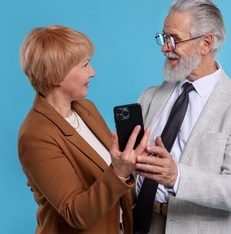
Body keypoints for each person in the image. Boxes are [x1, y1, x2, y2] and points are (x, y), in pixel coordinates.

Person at [132, 0, 231, 234]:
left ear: (206, 43)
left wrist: (177, 176)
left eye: (174, 40)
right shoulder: (149, 97)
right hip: (140, 223)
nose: (165, 48)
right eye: (164, 37)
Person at [18, 25, 149, 234]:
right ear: (56, 75)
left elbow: (103, 169)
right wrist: (120, 171)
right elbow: (76, 213)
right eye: (85, 65)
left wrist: (131, 161)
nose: (93, 72)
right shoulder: (35, 135)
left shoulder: (85, 108)